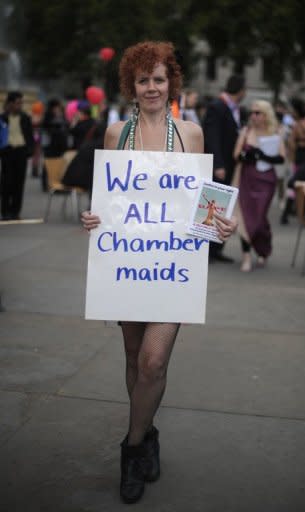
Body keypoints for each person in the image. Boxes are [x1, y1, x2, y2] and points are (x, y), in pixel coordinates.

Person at [81, 41, 237, 504]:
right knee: (133, 358)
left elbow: (202, 205)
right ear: (131, 85)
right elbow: (108, 204)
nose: (151, 87)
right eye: (143, 79)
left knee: (152, 361)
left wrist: (220, 225)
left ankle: (130, 449)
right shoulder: (115, 134)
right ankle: (147, 436)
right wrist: (93, 219)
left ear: (171, 84)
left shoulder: (190, 134)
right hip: (128, 265)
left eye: (159, 79)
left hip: (172, 268)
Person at [233, 100, 285, 272]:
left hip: (266, 181)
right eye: (252, 112)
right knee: (246, 217)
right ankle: (246, 257)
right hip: (247, 179)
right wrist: (246, 155)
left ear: (266, 115)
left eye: (257, 112)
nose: (253, 116)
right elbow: (236, 154)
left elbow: (281, 158)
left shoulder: (275, 132)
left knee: (259, 219)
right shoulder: (246, 131)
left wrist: (263, 156)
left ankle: (263, 248)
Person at [203, 74, 246, 263]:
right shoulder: (217, 106)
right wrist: (218, 164)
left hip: (230, 166)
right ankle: (209, 249)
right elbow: (211, 137)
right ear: (241, 90)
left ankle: (217, 248)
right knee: (215, 207)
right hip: (220, 166)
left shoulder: (233, 108)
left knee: (225, 206)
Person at [0, 91, 34, 220]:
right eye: (17, 103)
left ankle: (15, 211)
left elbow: (30, 135)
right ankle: (5, 211)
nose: (19, 106)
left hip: (21, 152)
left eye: (21, 103)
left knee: (19, 183)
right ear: (10, 103)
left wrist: (29, 150)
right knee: (6, 183)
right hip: (7, 152)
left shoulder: (25, 117)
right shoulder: (3, 118)